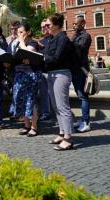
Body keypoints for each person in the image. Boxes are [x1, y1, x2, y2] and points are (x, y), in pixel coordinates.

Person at [44, 13, 74, 151]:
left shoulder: (63, 39)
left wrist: (42, 58)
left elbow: (57, 57)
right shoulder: (52, 38)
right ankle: (62, 133)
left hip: (61, 74)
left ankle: (68, 138)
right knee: (56, 106)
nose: (46, 27)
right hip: (52, 74)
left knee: (63, 106)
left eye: (48, 25)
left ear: (56, 25)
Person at [10, 22, 42, 137]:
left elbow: (27, 53)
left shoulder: (32, 43)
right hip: (19, 74)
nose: (18, 34)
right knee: (22, 100)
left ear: (28, 32)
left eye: (21, 32)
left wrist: (21, 42)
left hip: (31, 74)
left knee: (31, 101)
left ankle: (34, 127)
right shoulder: (17, 43)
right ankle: (26, 125)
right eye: (18, 32)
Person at [71, 17, 92, 133]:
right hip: (75, 69)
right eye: (73, 24)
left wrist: (70, 41)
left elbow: (79, 49)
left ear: (83, 24)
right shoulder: (76, 35)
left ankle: (86, 122)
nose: (74, 26)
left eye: (76, 23)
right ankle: (83, 120)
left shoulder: (85, 36)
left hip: (81, 69)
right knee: (81, 96)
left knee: (83, 96)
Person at [36, 19, 52, 121]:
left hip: (51, 71)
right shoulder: (39, 41)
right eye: (41, 27)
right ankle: (45, 113)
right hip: (41, 71)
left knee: (52, 94)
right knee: (43, 94)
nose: (43, 28)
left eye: (45, 26)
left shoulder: (53, 38)